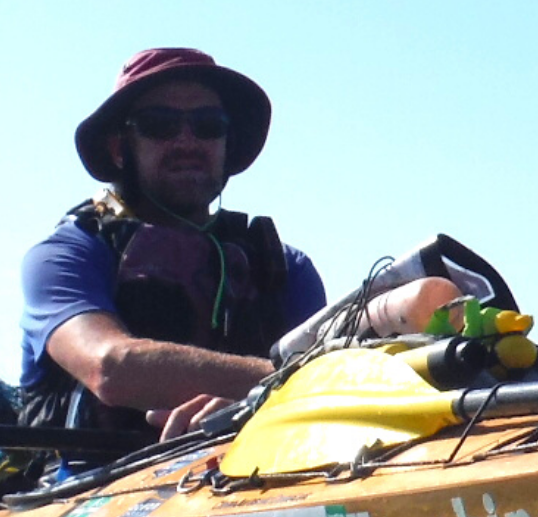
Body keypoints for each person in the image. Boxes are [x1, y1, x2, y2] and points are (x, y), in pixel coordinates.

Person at [18, 48, 344, 444]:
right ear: (121, 148)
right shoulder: (69, 253)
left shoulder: (285, 267)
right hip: (81, 487)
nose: (187, 141)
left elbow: (334, 382)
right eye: (159, 125)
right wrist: (277, 388)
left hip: (258, 477)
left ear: (228, 144)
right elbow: (109, 366)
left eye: (209, 126)